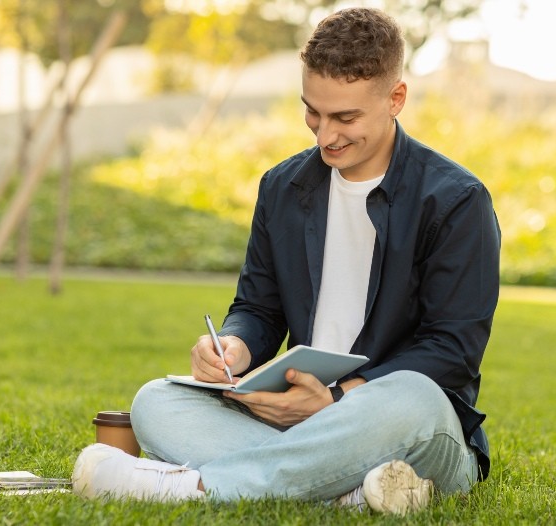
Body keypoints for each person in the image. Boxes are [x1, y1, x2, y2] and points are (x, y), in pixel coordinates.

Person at [71, 7, 501, 514]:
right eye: (313, 112)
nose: (325, 136)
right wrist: (232, 346)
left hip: (403, 423)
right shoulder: (282, 188)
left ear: (395, 99)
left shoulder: (455, 200)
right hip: (292, 413)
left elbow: (452, 350)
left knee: (414, 395)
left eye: (345, 117)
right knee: (155, 402)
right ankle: (349, 490)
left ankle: (192, 487)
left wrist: (340, 399)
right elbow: (259, 307)